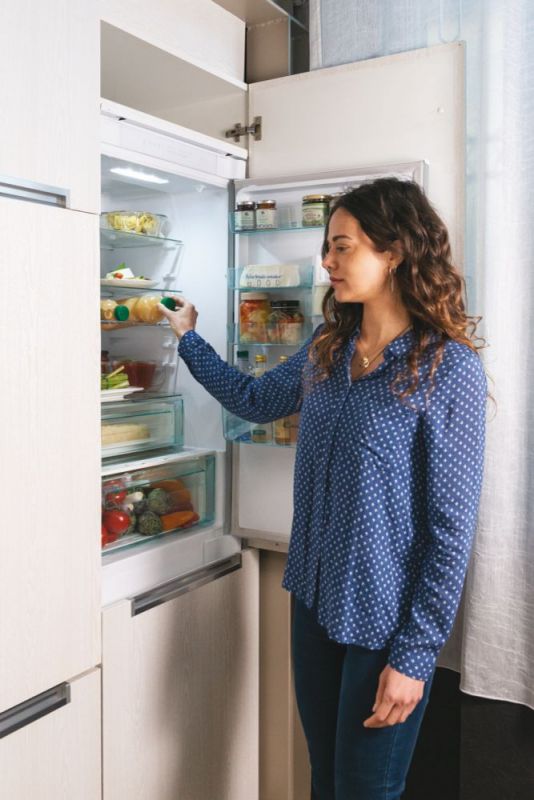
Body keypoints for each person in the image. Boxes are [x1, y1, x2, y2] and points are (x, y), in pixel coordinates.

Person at [159, 177, 488, 800]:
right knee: (325, 783)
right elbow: (254, 400)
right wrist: (188, 337)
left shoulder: (446, 367)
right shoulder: (326, 347)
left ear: (393, 252)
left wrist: (415, 657)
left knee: (365, 792)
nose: (327, 262)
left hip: (385, 621)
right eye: (327, 247)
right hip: (312, 600)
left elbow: (451, 532)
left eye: (342, 247)